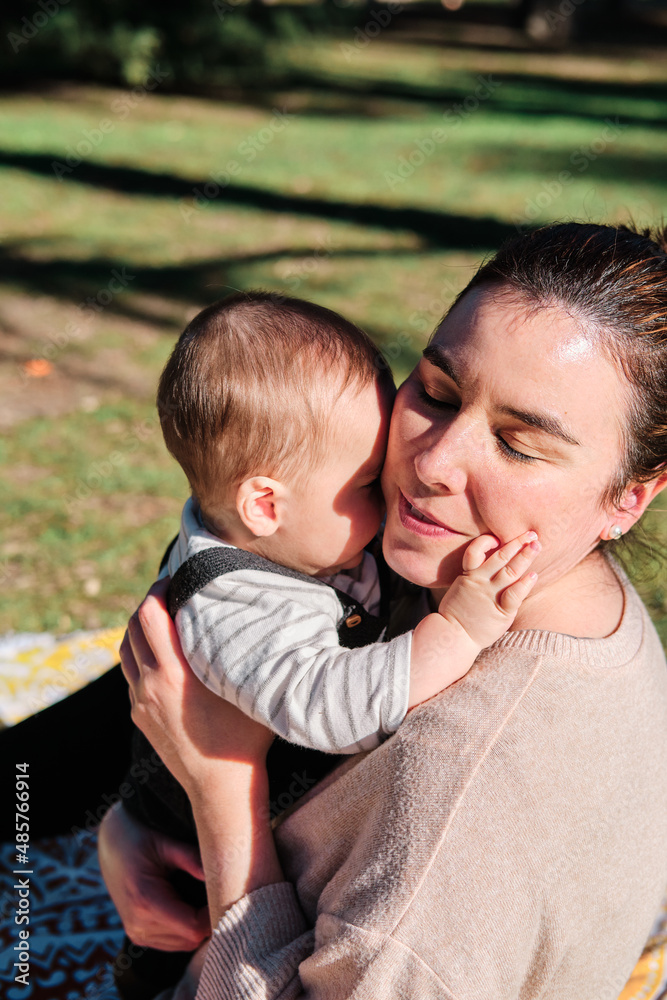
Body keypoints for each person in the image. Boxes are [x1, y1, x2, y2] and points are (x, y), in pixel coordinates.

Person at [102, 222, 667, 1000]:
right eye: (435, 393)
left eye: (519, 443)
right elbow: (209, 656)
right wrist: (129, 815)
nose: (431, 464)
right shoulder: (517, 579)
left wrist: (220, 795)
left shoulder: (459, 807)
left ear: (628, 498)